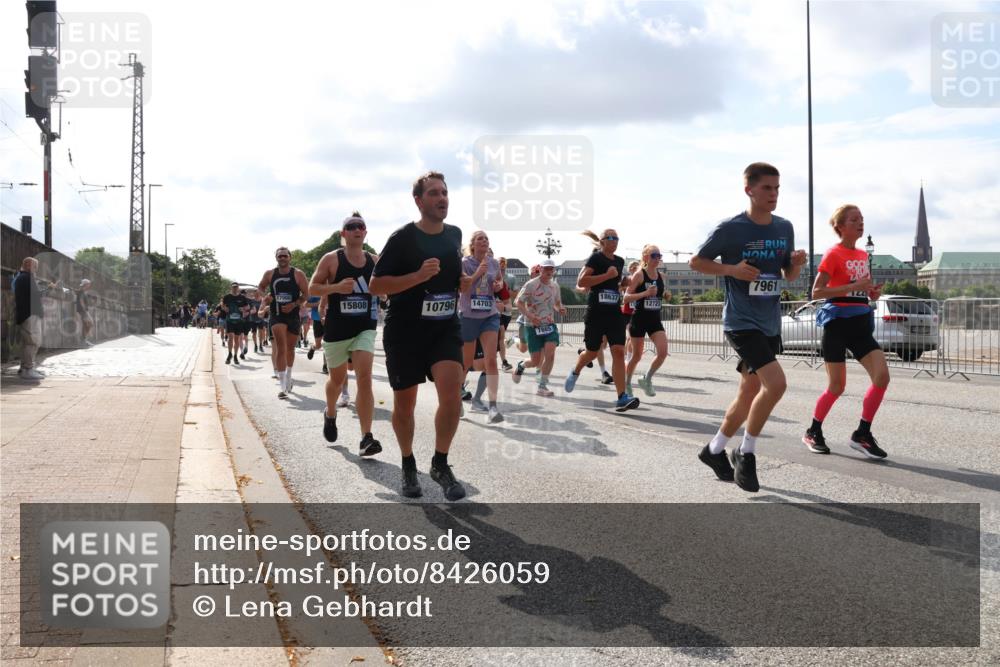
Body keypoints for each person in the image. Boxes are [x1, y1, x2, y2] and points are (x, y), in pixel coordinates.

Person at [690, 162, 808, 492]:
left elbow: (788, 276)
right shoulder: (731, 229)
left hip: (769, 322)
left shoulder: (784, 227)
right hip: (741, 323)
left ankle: (713, 450)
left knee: (749, 391)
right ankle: (746, 452)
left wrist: (796, 264)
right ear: (749, 190)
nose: (773, 194)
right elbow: (696, 262)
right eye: (767, 188)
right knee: (776, 384)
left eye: (777, 188)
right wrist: (732, 270)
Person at [369, 171, 470, 501]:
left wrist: (465, 283)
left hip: (444, 328)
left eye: (445, 192)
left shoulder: (455, 235)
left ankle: (440, 463)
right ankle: (408, 463)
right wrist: (416, 276)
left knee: (452, 392)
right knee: (404, 405)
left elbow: (452, 281)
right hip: (405, 332)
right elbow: (376, 285)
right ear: (418, 200)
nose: (442, 198)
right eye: (434, 193)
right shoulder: (402, 239)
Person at [803, 205, 889, 459]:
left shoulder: (863, 255)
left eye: (862, 219)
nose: (860, 223)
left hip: (860, 324)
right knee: (837, 386)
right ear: (840, 226)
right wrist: (853, 286)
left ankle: (862, 434)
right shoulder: (833, 254)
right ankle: (813, 431)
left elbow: (861, 288)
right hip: (837, 325)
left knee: (882, 376)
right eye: (854, 220)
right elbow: (816, 293)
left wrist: (871, 292)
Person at [309, 212, 382, 457]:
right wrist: (336, 288)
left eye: (360, 226)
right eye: (351, 226)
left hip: (364, 328)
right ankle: (330, 413)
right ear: (343, 234)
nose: (356, 229)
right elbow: (312, 287)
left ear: (365, 232)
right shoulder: (331, 259)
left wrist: (385, 293)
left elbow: (387, 286)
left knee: (364, 378)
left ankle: (366, 437)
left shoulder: (374, 260)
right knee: (337, 381)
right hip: (337, 331)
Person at [564, 229, 640, 412]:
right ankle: (575, 371)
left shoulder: (620, 261)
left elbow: (615, 283)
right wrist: (606, 275)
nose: (614, 240)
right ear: (602, 241)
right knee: (591, 352)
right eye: (610, 238)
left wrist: (624, 283)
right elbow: (581, 281)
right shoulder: (596, 259)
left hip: (614, 312)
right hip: (596, 313)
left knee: (619, 352)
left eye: (617, 238)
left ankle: (622, 397)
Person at [459, 230, 504, 424]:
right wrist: (479, 273)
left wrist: (498, 285)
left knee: (491, 360)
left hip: (489, 315)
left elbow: (498, 284)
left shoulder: (494, 263)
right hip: (469, 316)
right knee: (466, 362)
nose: (484, 241)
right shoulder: (464, 264)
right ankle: (456, 398)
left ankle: (493, 407)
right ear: (473, 244)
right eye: (480, 238)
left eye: (486, 238)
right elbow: (464, 288)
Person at [259, 248, 310, 398]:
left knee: (290, 349)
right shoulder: (270, 274)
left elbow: (306, 294)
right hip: (276, 314)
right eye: (279, 256)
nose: (282, 258)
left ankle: (288, 376)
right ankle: (282, 386)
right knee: (281, 347)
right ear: (276, 258)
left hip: (293, 314)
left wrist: (294, 304)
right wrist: (265, 297)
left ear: (290, 257)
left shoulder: (298, 274)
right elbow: (261, 287)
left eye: (285, 256)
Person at [513, 258, 566, 396]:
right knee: (536, 361)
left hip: (549, 325)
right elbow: (518, 302)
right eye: (546, 268)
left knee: (550, 353)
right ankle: (521, 366)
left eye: (551, 269)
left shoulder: (555, 286)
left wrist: (560, 308)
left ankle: (542, 386)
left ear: (554, 271)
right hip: (532, 325)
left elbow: (557, 303)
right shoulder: (531, 285)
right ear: (540, 269)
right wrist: (530, 316)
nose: (549, 271)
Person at [624, 246, 670, 397]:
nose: (657, 259)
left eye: (659, 256)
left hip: (655, 320)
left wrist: (666, 294)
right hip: (639, 319)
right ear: (645, 257)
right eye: (653, 255)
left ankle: (647, 379)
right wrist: (645, 293)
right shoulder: (639, 275)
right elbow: (626, 297)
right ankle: (627, 383)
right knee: (636, 356)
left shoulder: (662, 276)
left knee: (663, 352)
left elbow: (659, 294)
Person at [12, 257, 54, 379]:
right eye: (35, 267)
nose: (36, 269)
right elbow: (37, 296)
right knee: (33, 342)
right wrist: (49, 289)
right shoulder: (27, 278)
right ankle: (28, 369)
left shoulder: (21, 277)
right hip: (30, 315)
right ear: (29, 266)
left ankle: (24, 369)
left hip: (25, 314)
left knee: (27, 343)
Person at [221, 283, 248, 365]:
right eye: (233, 287)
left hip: (239, 321)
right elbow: (222, 304)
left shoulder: (242, 297)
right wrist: (225, 308)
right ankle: (229, 354)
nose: (235, 289)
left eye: (236, 287)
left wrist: (243, 308)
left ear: (238, 288)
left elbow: (247, 307)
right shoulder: (227, 297)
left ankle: (235, 355)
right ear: (231, 288)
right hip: (229, 321)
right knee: (230, 337)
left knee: (236, 339)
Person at [494, 257, 514, 371]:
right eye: (498, 271)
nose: (500, 274)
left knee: (500, 335)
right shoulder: (482, 280)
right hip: (477, 315)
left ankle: (504, 362)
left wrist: (503, 307)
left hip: (500, 315)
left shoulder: (504, 285)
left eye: (503, 271)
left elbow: (509, 306)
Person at [75, 279, 95, 345]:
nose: (89, 285)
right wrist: (85, 311)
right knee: (90, 323)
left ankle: (84, 340)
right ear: (85, 284)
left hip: (83, 310)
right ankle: (83, 340)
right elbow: (81, 301)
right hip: (83, 311)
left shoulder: (83, 291)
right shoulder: (81, 291)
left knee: (86, 325)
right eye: (88, 284)